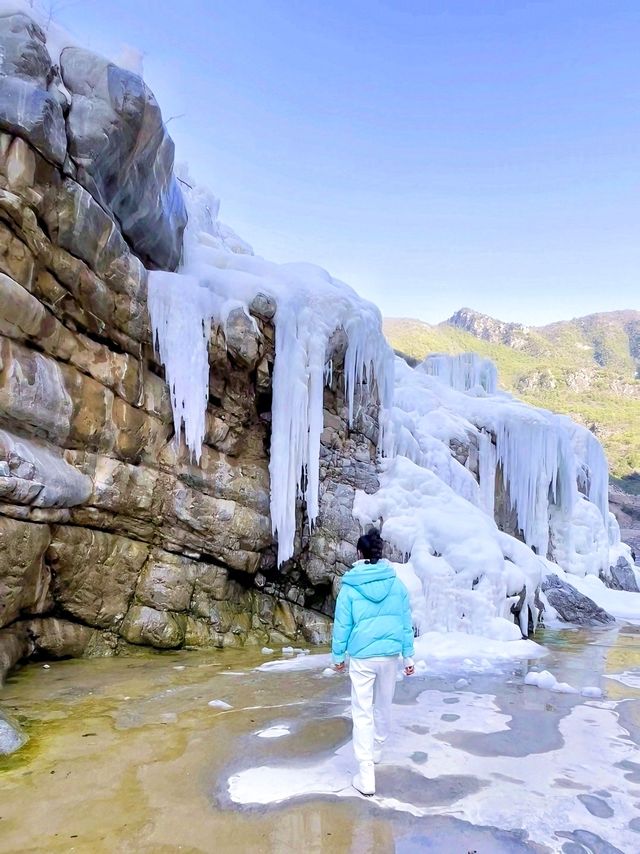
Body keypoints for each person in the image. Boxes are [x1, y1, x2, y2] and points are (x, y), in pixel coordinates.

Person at [331, 528, 415, 796]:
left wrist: (338, 656)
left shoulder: (350, 586)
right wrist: (408, 655)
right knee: (383, 704)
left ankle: (366, 774)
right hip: (389, 656)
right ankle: (378, 749)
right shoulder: (396, 584)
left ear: (359, 553)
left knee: (362, 711)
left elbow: (342, 625)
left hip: (362, 657)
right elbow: (405, 623)